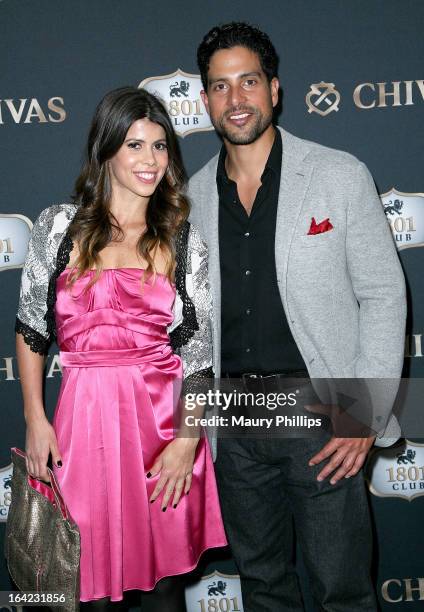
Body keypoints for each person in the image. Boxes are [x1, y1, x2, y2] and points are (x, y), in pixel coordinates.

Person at [188, 22, 406, 612]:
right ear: (205, 100)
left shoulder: (339, 174)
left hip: (323, 410)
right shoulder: (191, 196)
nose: (236, 100)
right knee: (263, 590)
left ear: (275, 89)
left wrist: (362, 413)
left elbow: (384, 295)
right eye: (220, 86)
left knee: (343, 591)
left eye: (249, 81)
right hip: (233, 421)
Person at [15, 86, 227, 611]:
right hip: (80, 429)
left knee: (164, 590)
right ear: (106, 149)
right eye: (134, 145)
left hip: (160, 434)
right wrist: (35, 420)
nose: (149, 160)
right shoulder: (58, 226)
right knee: (84, 585)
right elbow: (31, 331)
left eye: (159, 146)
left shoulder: (181, 238)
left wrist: (185, 442)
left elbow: (198, 357)